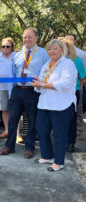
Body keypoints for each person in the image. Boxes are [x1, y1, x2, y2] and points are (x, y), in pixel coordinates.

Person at [0, 27, 49, 158]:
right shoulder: (17, 54)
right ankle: (9, 146)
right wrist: (11, 92)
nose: (26, 40)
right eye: (24, 37)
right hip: (17, 91)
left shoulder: (43, 54)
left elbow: (47, 74)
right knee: (12, 120)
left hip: (33, 92)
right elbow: (12, 74)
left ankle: (29, 147)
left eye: (29, 37)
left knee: (32, 121)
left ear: (36, 38)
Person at [31, 39, 76, 172]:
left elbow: (65, 84)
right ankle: (47, 156)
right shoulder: (46, 65)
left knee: (59, 134)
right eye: (49, 49)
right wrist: (37, 84)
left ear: (62, 50)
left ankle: (59, 162)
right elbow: (39, 87)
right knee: (42, 130)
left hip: (62, 105)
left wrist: (42, 84)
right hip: (45, 103)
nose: (52, 51)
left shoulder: (68, 64)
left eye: (55, 48)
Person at [0, 38, 21, 139]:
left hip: (15, 88)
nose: (5, 48)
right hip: (1, 88)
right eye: (3, 46)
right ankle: (7, 131)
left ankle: (17, 133)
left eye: (8, 46)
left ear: (12, 47)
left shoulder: (17, 56)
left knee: (16, 111)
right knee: (4, 110)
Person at [61, 39, 85, 153]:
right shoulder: (53, 61)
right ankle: (61, 141)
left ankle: (71, 143)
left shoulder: (77, 60)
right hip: (56, 93)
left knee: (71, 119)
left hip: (72, 93)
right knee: (59, 118)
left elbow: (82, 77)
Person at [65, 33, 86, 136]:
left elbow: (83, 73)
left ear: (75, 41)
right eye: (66, 40)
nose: (68, 42)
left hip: (77, 87)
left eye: (70, 40)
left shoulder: (80, 55)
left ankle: (79, 131)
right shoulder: (59, 56)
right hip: (62, 89)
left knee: (78, 110)